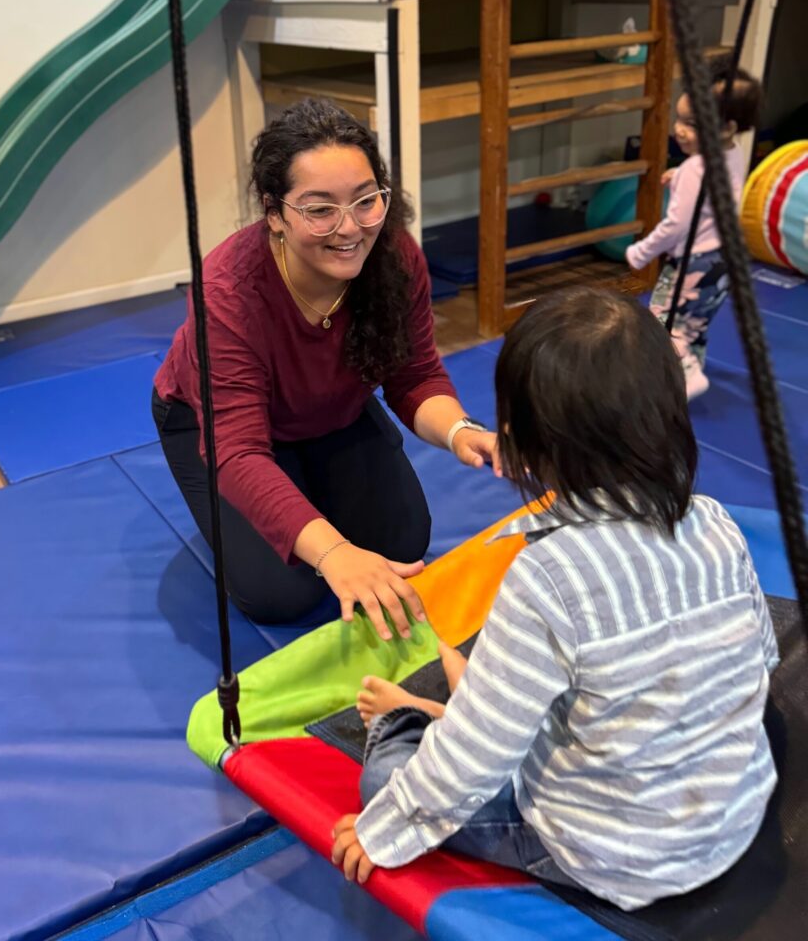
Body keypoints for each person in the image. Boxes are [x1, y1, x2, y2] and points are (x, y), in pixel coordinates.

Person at [331, 286, 778, 911]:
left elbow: (471, 766)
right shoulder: (713, 521)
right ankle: (480, 700)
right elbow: (760, 663)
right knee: (571, 676)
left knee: (388, 779)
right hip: (733, 817)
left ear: (524, 443)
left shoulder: (549, 577)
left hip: (621, 855)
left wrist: (383, 831)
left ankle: (422, 715)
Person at [153, 98, 500, 639]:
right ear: (275, 213)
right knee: (282, 593)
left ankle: (304, 482)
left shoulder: (395, 257)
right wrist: (334, 552)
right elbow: (238, 451)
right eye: (319, 209)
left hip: (329, 408)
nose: (349, 228)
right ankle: (275, 501)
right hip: (218, 427)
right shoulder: (229, 292)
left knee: (402, 543)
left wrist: (462, 432)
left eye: (366, 201)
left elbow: (415, 377)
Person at [625, 62, 763, 399]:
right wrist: (681, 177)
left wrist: (641, 251)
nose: (679, 130)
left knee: (660, 321)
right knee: (693, 325)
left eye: (693, 124)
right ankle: (682, 376)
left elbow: (676, 226)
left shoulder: (693, 170)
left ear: (727, 127)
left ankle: (684, 372)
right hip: (724, 260)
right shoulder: (733, 153)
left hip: (693, 263)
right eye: (680, 118)